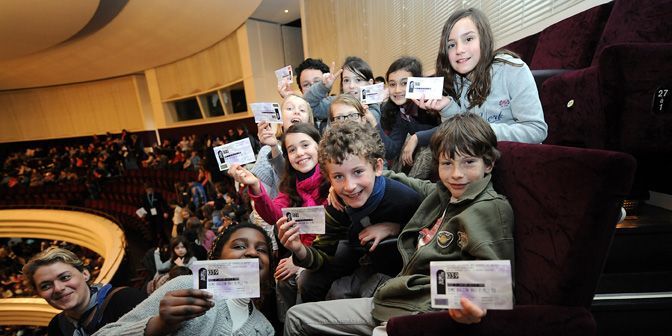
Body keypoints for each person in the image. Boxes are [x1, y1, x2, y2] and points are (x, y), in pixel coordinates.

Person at [283, 113, 514, 335]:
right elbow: (398, 179)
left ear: (489, 164)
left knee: (296, 319)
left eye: (469, 162)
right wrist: (344, 183)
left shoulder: (490, 208)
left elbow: (497, 283)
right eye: (447, 163)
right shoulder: (443, 192)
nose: (456, 174)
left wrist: (470, 308)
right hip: (398, 293)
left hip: (419, 307)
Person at [277, 121, 422, 302]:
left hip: (397, 265)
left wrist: (396, 228)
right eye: (338, 176)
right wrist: (298, 249)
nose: (349, 186)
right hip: (359, 255)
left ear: (377, 167)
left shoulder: (403, 197)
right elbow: (323, 254)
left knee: (343, 292)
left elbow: (427, 226)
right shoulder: (336, 205)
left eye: (358, 172)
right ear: (328, 178)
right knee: (308, 281)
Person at [404, 7, 548, 167]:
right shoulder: (457, 81)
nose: (459, 50)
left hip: (517, 161)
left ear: (484, 39)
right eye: (451, 45)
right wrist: (447, 107)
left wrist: (480, 131)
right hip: (478, 164)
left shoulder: (512, 69)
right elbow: (462, 133)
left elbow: (536, 131)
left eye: (468, 39)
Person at [94, 223, 277, 335]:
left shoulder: (265, 328)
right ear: (217, 258)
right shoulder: (186, 287)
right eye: (239, 245)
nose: (253, 252)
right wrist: (158, 325)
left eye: (261, 250)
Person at [22, 247, 146, 335]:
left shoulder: (126, 300)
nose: (58, 289)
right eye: (45, 286)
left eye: (65, 277)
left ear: (85, 274)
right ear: (38, 293)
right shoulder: (57, 326)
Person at [379, 57, 440, 171]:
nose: (397, 90)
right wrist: (374, 122)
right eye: (392, 84)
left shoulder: (433, 102)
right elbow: (391, 151)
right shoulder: (400, 111)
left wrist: (417, 137)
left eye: (404, 83)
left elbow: (451, 126)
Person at [303, 56, 382, 129]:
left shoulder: (373, 106)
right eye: (346, 80)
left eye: (358, 80)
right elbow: (308, 105)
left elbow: (371, 121)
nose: (351, 86)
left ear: (370, 83)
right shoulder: (334, 103)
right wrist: (323, 87)